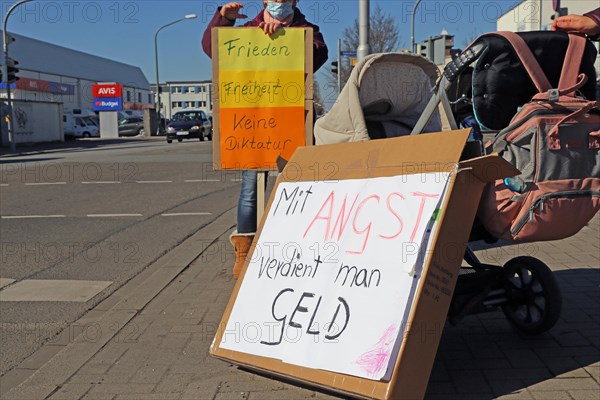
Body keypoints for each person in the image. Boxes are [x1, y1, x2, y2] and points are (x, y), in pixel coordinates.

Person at [202, 0, 328, 278]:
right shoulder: (248, 30)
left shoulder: (308, 30)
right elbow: (214, 49)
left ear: (295, 1)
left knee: (298, 187)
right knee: (250, 190)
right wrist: (224, 20)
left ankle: (295, 248)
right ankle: (244, 253)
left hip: (291, 121)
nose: (279, 2)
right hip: (254, 123)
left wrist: (287, 36)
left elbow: (318, 54)